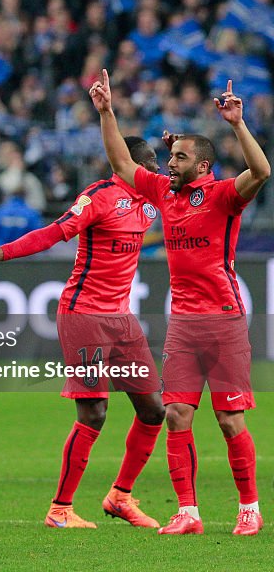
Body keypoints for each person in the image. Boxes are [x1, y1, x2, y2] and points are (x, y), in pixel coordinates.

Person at [91, 70, 268, 536]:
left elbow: (263, 171)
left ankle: (249, 507)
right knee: (176, 414)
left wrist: (236, 124)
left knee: (230, 419)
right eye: (169, 156)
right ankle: (187, 511)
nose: (170, 163)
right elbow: (121, 163)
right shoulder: (164, 194)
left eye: (179, 157)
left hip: (224, 320)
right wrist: (107, 111)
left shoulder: (223, 195)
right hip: (183, 324)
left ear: (203, 165)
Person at [0, 136, 166, 530]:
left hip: (122, 320)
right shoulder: (98, 197)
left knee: (153, 409)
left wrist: (180, 149)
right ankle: (60, 509)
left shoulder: (152, 200)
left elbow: (197, 187)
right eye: (153, 162)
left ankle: (120, 497)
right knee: (95, 412)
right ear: (132, 163)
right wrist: (1, 252)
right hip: (84, 317)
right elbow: (53, 233)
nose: (159, 169)